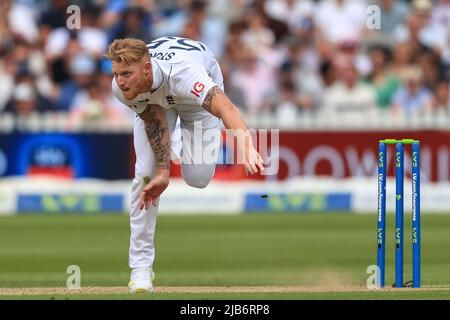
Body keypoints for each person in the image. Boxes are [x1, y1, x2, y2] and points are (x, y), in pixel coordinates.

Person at [105, 36, 265, 293]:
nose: (120, 81)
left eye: (126, 73)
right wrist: (162, 173)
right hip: (156, 103)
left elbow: (228, 109)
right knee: (145, 178)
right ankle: (141, 268)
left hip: (193, 99)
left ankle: (177, 135)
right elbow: (154, 118)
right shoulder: (122, 88)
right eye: (116, 73)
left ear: (146, 68)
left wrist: (246, 146)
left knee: (198, 177)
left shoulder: (185, 74)